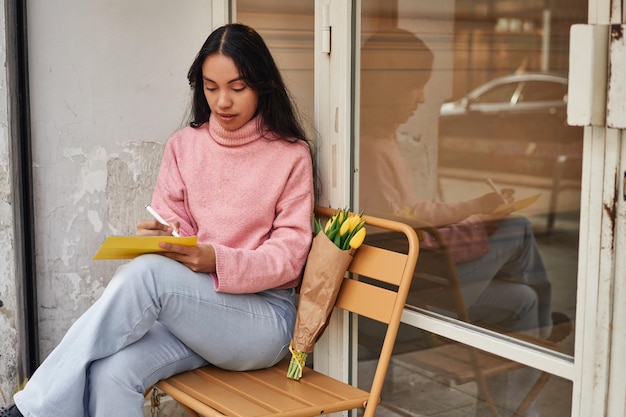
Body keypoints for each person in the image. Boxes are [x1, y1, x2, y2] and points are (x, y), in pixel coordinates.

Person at [1, 23, 314, 417]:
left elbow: (289, 258)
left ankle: (30, 410)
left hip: (262, 321)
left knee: (147, 275)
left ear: (262, 85)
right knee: (111, 374)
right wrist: (163, 237)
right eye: (210, 87)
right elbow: (176, 226)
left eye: (237, 87)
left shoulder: (290, 155)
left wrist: (215, 259)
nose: (222, 102)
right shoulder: (184, 146)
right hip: (197, 311)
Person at [359, 28, 568, 417]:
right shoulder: (371, 151)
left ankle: (507, 406)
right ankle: (544, 339)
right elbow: (407, 224)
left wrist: (474, 211)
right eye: (415, 86)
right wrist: (474, 214)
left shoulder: (374, 143)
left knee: (524, 299)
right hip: (417, 297)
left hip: (417, 286)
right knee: (519, 230)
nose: (423, 98)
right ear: (389, 85)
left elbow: (410, 213)